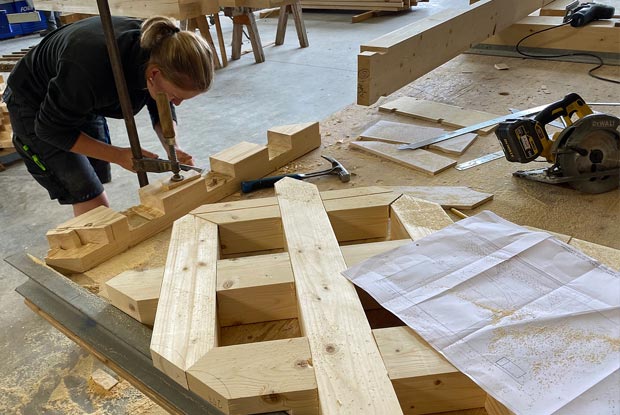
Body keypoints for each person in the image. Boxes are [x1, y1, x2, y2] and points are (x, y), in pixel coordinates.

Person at [3, 16, 215, 217]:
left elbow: (159, 101)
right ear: (153, 74)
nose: (176, 103)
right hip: (34, 103)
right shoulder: (90, 69)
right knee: (87, 192)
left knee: (97, 170)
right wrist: (118, 155)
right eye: (176, 96)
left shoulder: (159, 47)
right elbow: (50, 129)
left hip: (76, 93)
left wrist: (173, 147)